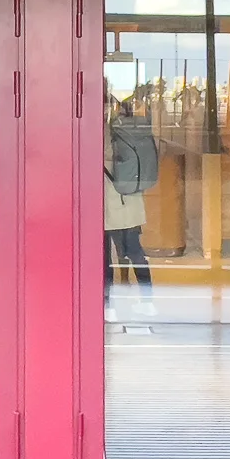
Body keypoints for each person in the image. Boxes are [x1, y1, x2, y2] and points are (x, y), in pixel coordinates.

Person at [104, 95, 156, 322]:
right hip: (133, 200)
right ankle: (147, 302)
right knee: (135, 252)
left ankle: (108, 305)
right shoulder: (135, 131)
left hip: (111, 202)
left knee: (105, 257)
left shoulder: (106, 134)